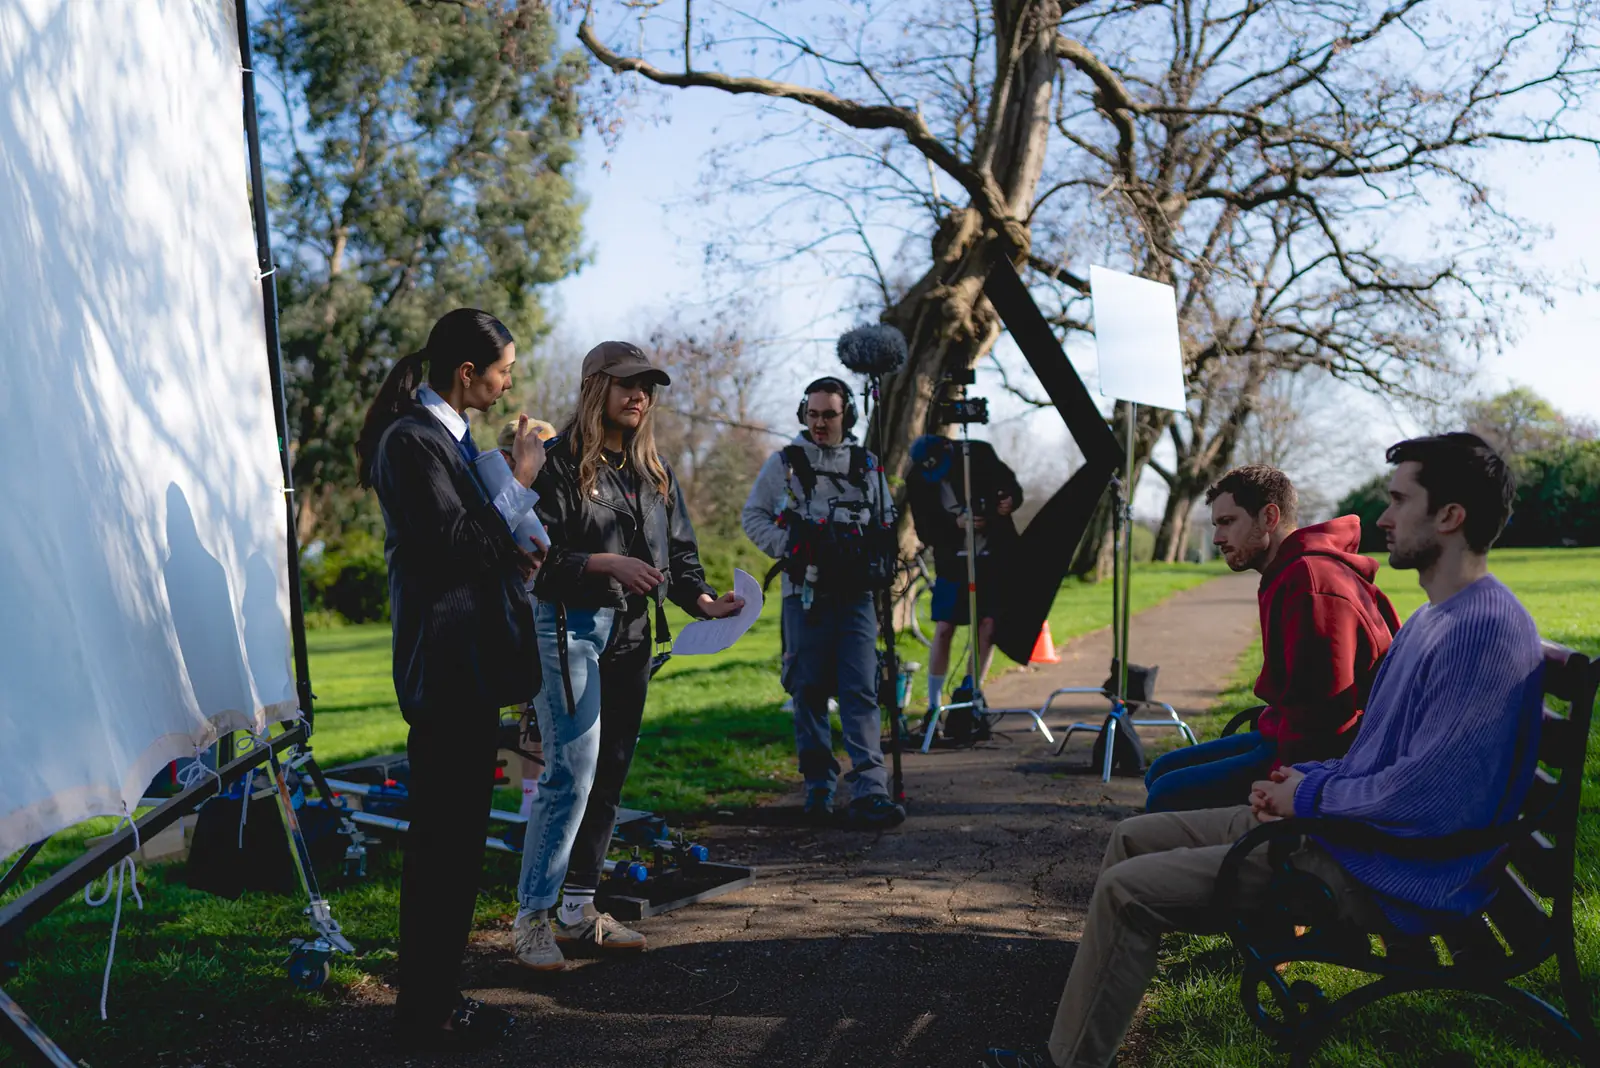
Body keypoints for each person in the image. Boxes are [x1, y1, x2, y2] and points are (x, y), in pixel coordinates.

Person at [983, 432, 1544, 1068]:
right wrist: (1302, 780)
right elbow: (1376, 754)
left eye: (1398, 499)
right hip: (1347, 834)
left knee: (1124, 890)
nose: (1382, 518)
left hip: (1383, 870)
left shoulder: (1477, 629)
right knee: (1132, 840)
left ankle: (1069, 1060)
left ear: (1450, 516)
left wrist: (1306, 792)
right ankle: (1090, 1008)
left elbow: (1425, 799)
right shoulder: (1438, 618)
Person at [512, 341, 744, 971]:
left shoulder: (656, 472)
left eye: (646, 385)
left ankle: (579, 910)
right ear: (595, 388)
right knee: (571, 772)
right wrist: (605, 563)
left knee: (610, 771)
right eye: (625, 383)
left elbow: (682, 560)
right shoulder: (558, 465)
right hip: (570, 628)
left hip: (635, 634)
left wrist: (705, 601)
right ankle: (531, 918)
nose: (639, 394)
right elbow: (537, 563)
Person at [356, 308, 546, 1051]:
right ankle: (425, 1012)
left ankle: (437, 999)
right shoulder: (411, 442)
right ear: (466, 372)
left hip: (473, 668)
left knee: (458, 847)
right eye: (501, 369)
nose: (507, 383)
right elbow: (457, 546)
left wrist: (517, 543)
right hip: (445, 672)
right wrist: (521, 478)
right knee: (442, 849)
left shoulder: (451, 441)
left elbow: (482, 545)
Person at [1143, 465, 1399, 811]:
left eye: (1228, 522)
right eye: (1217, 524)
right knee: (1160, 770)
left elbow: (1325, 722)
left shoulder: (1310, 581)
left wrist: (1284, 793)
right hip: (1284, 730)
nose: (1218, 538)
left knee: (1166, 792)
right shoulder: (1289, 572)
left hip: (1328, 757)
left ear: (1268, 517)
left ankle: (1228, 860)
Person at [742, 376, 905, 828]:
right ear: (802, 414)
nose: (819, 423)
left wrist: (877, 553)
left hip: (856, 596)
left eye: (829, 415)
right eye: (812, 414)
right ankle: (818, 785)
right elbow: (752, 516)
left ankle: (871, 790)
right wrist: (791, 546)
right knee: (807, 689)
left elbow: (887, 523)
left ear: (846, 416)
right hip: (805, 594)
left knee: (861, 689)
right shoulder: (786, 463)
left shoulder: (868, 465)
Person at [905, 433, 1022, 741]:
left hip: (993, 557)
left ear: (949, 450)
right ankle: (933, 703)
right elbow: (925, 529)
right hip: (952, 562)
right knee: (944, 627)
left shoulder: (979, 454)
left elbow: (1010, 487)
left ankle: (970, 697)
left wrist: (1009, 503)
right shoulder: (917, 478)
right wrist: (954, 525)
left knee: (987, 626)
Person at [498, 416, 559, 820]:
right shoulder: (500, 497)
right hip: (517, 612)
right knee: (528, 710)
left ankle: (555, 792)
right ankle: (529, 796)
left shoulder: (558, 494)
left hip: (559, 613)